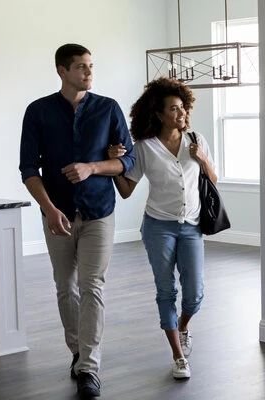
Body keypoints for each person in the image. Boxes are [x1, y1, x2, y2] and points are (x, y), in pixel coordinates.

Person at [18, 43, 134, 399]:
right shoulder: (38, 111)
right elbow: (28, 168)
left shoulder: (108, 108)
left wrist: (93, 167)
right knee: (65, 286)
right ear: (62, 71)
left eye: (91, 66)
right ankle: (77, 351)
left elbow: (128, 161)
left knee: (92, 285)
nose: (89, 72)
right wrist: (49, 209)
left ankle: (89, 367)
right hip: (58, 214)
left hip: (99, 211)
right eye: (82, 66)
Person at [111, 77, 215, 380]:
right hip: (158, 227)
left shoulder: (196, 139)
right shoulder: (144, 147)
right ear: (158, 114)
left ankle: (183, 326)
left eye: (183, 107)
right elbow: (126, 190)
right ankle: (178, 356)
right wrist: (113, 165)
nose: (182, 113)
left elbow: (213, 179)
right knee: (166, 290)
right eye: (174, 109)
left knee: (195, 294)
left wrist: (202, 158)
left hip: (192, 226)